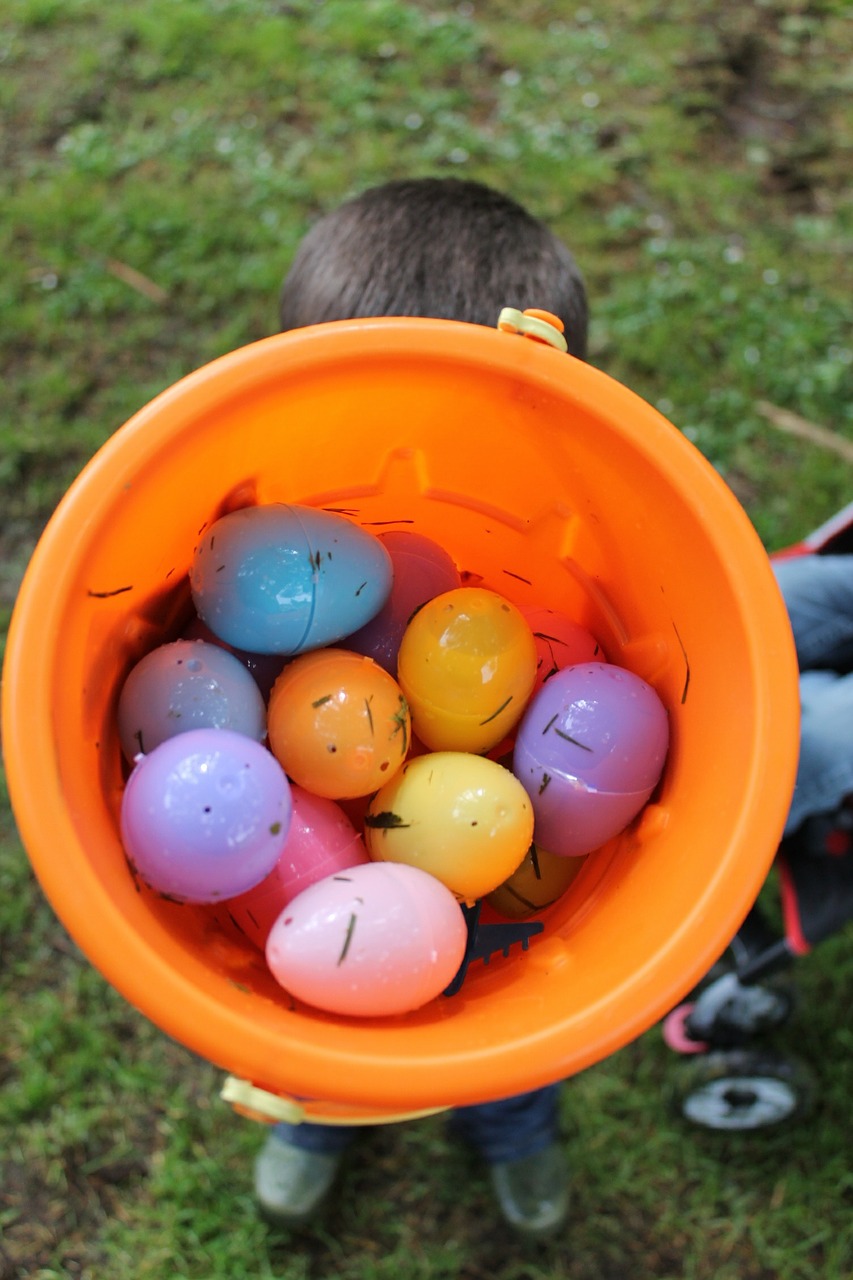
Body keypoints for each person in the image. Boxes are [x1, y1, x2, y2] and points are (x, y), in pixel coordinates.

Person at [253, 177, 589, 1236]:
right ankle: (316, 1114)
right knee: (324, 1000)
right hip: (306, 881)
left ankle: (510, 1122)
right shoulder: (268, 545)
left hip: (502, 887)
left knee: (499, 1036)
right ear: (291, 388)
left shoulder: (570, 534)